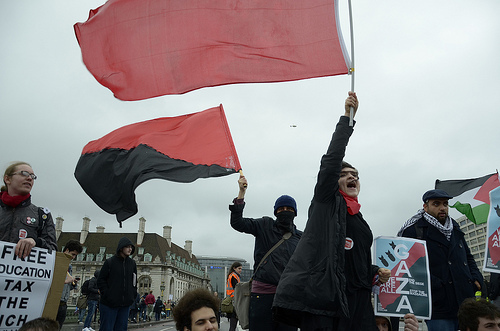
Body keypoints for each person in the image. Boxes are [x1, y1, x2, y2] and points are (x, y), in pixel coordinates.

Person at [273, 92, 391, 330]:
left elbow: (350, 259)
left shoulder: (359, 218)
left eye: (355, 175)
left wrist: (376, 271)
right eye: (345, 174)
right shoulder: (326, 203)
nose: (352, 177)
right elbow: (331, 161)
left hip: (360, 301)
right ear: (334, 182)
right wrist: (347, 120)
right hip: (330, 300)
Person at [397, 189, 484, 330]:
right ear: (425, 207)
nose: (442, 208)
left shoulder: (454, 226)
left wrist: (475, 277)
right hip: (439, 304)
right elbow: (409, 265)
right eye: (436, 204)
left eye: (445, 204)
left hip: (466, 300)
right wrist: (436, 284)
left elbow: (468, 256)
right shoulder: (414, 230)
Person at [229, 176, 303, 331]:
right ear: (275, 211)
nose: (285, 212)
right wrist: (241, 193)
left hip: (288, 299)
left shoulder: (300, 237)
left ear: (295, 212)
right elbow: (237, 223)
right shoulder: (264, 225)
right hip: (261, 297)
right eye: (281, 209)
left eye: (289, 209)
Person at [0, 161, 57, 258]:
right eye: (24, 174)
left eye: (33, 176)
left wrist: (36, 242)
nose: (29, 178)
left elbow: (53, 251)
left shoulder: (42, 215)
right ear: (7, 179)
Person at [97, 237, 137, 331]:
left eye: (131, 247)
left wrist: (132, 295)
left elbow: (134, 282)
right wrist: (107, 294)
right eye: (127, 247)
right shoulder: (110, 262)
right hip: (109, 304)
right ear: (121, 248)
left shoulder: (132, 264)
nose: (130, 249)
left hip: (125, 304)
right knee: (106, 329)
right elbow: (101, 280)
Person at [56, 239, 83, 329]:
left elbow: (67, 286)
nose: (73, 257)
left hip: (64, 303)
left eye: (75, 255)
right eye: (73, 254)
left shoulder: (69, 266)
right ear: (66, 250)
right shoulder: (57, 262)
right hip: (55, 302)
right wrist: (66, 281)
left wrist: (73, 284)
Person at [226, 262, 242, 331]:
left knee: (233, 324)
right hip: (233, 300)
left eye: (241, 269)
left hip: (232, 299)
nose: (240, 270)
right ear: (234, 268)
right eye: (239, 268)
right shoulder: (233, 276)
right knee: (233, 324)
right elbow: (236, 288)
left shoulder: (234, 276)